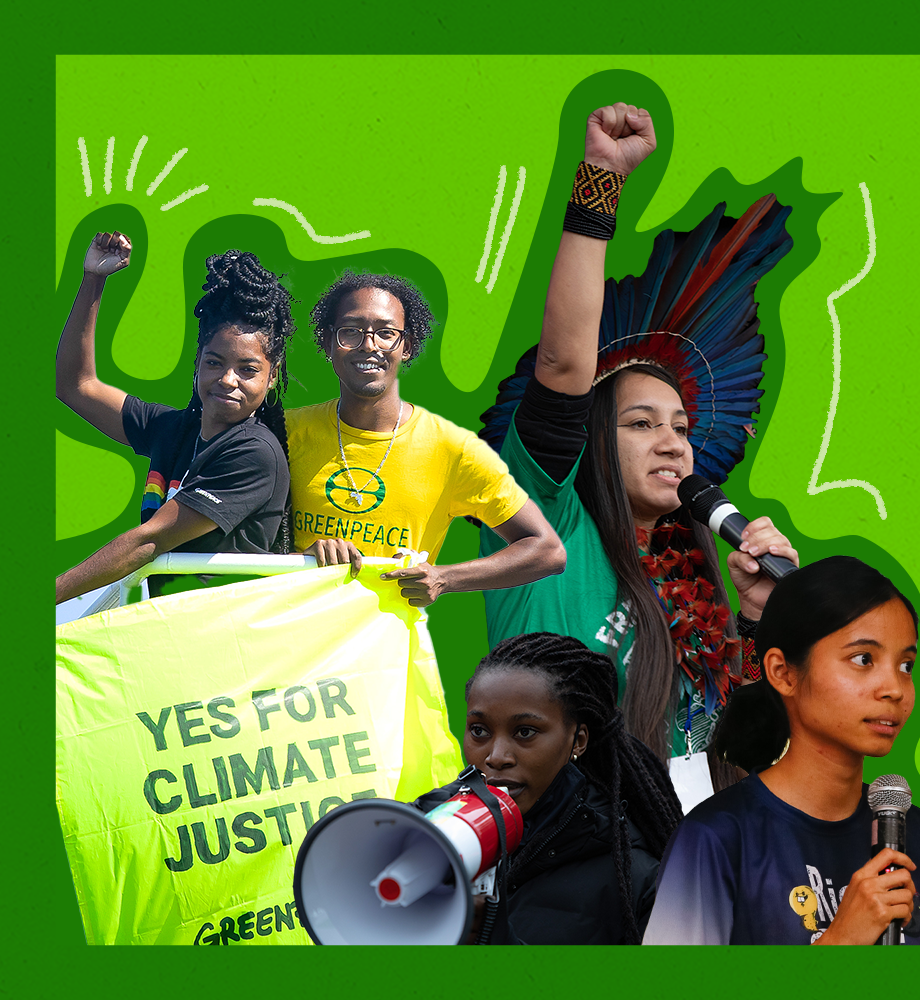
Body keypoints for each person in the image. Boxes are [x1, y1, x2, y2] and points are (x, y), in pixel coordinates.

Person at [479, 102, 798, 778]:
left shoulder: (694, 579)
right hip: (572, 859)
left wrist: (755, 620)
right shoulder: (546, 521)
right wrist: (600, 179)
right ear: (592, 440)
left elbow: (740, 752)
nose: (673, 443)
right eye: (642, 423)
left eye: (681, 428)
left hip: (684, 864)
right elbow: (565, 365)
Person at [642, 556, 920, 945]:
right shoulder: (715, 839)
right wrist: (838, 943)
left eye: (906, 665)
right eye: (863, 659)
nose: (894, 689)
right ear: (783, 672)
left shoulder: (916, 834)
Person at [284, 270, 565, 606]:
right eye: (351, 332)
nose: (369, 345)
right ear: (329, 342)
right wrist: (298, 556)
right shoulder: (286, 432)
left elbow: (547, 549)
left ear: (407, 346)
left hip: (387, 649)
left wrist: (444, 578)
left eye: (386, 333)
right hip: (292, 644)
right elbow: (235, 540)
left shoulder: (452, 449)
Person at [56, 232, 295, 603]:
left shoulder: (254, 452)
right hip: (170, 631)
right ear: (198, 361)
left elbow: (147, 541)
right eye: (215, 363)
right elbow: (76, 384)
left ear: (272, 374)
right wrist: (94, 279)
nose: (227, 380)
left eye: (247, 369)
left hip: (221, 638)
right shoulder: (173, 429)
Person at [414, 631, 684, 945]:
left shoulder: (632, 878)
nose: (496, 756)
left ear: (578, 740)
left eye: (525, 732)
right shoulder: (423, 825)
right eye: (479, 730)